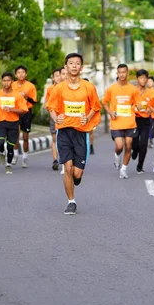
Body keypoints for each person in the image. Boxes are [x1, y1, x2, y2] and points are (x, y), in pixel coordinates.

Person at [47, 53, 101, 215]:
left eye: (77, 63)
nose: (74, 66)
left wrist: (88, 117)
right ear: (66, 67)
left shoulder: (88, 87)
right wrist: (58, 117)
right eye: (71, 63)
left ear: (81, 67)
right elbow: (52, 109)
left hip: (80, 133)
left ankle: (76, 179)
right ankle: (71, 201)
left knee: (77, 173)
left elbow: (95, 106)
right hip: (64, 132)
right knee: (68, 168)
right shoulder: (58, 88)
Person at [103, 64, 139, 179]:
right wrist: (110, 112)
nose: (122, 74)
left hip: (130, 122)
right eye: (120, 72)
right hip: (116, 123)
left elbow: (137, 103)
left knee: (128, 146)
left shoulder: (133, 89)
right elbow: (104, 102)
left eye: (124, 72)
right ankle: (117, 156)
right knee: (119, 146)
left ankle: (123, 169)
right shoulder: (111, 89)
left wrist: (138, 107)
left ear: (127, 73)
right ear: (117, 74)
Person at [0, 72, 28, 174]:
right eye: (4, 81)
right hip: (1, 122)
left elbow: (24, 110)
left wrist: (12, 109)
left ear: (12, 82)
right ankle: (2, 152)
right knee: (0, 143)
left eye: (8, 81)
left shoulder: (17, 96)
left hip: (13, 123)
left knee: (10, 146)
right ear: (2, 82)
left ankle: (8, 165)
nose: (6, 83)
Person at [11, 65, 38, 168]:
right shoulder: (12, 85)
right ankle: (15, 154)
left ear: (26, 74)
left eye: (23, 72)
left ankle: (25, 157)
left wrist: (26, 97)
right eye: (18, 72)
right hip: (15, 112)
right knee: (15, 134)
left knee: (25, 136)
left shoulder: (30, 86)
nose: (21, 74)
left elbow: (34, 101)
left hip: (26, 112)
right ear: (15, 74)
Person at [132, 69, 154, 174]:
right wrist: (134, 107)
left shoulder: (151, 92)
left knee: (144, 144)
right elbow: (128, 103)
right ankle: (134, 150)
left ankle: (140, 166)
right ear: (137, 79)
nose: (143, 80)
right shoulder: (132, 91)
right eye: (141, 78)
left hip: (145, 120)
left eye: (145, 78)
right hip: (134, 120)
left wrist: (150, 110)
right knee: (135, 142)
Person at [46, 67, 67, 171]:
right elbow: (48, 104)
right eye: (57, 76)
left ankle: (64, 160)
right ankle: (55, 160)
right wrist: (53, 116)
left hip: (66, 117)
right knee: (54, 138)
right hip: (54, 117)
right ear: (53, 78)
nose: (59, 78)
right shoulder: (50, 89)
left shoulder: (67, 87)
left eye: (61, 75)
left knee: (63, 139)